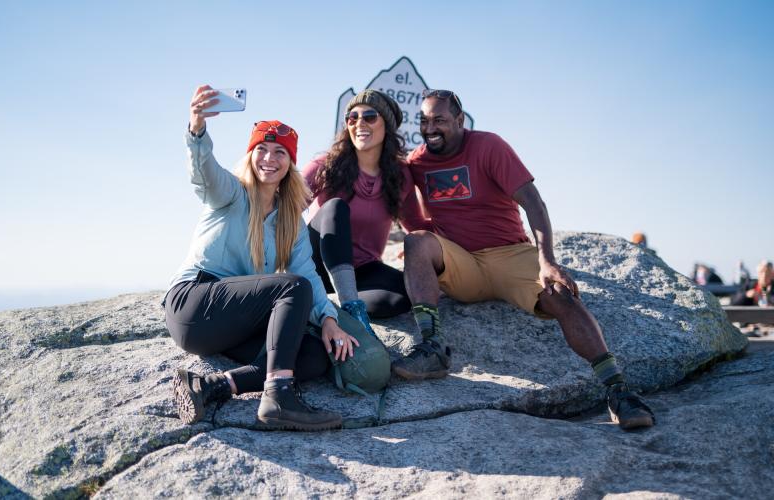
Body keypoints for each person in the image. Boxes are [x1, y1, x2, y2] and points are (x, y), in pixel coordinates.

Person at [392, 89, 655, 430]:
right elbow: (411, 221)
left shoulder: (488, 146)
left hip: (510, 253)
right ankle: (432, 349)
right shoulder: (417, 162)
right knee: (416, 243)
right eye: (424, 121)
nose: (430, 128)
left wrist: (547, 260)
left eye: (439, 120)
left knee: (561, 295)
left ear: (460, 120)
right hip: (463, 265)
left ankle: (618, 393)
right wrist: (426, 252)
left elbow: (533, 202)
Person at [165, 85, 359, 431]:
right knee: (290, 288)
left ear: (291, 163)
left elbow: (308, 275)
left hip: (233, 322)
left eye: (280, 153)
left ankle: (212, 386)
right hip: (194, 304)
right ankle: (279, 399)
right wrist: (197, 129)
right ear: (251, 155)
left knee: (313, 356)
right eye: (262, 150)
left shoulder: (290, 222)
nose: (269, 159)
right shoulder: (231, 194)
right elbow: (203, 173)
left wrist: (329, 319)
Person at [302, 90, 430, 334]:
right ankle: (343, 301)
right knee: (335, 208)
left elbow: (416, 225)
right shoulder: (324, 166)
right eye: (352, 117)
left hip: (363, 269)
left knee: (405, 294)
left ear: (387, 126)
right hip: (315, 263)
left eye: (370, 116)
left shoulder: (400, 175)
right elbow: (285, 209)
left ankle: (334, 306)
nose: (359, 123)